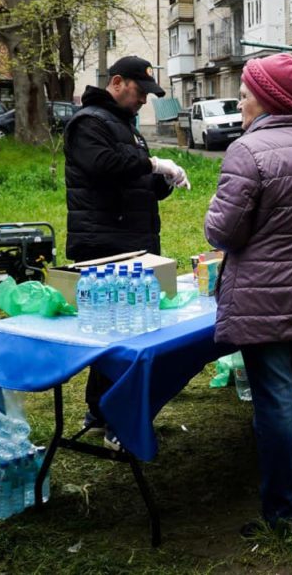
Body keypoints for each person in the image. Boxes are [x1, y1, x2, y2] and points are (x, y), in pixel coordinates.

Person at [203, 54, 292, 537]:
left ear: (265, 98)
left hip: (265, 298)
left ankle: (281, 514)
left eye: (243, 94)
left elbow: (222, 231)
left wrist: (212, 217)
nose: (239, 103)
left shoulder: (249, 151)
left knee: (276, 403)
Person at [63, 55, 191, 447]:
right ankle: (113, 418)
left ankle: (104, 412)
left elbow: (136, 182)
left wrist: (165, 180)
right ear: (117, 83)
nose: (143, 102)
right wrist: (152, 162)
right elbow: (104, 166)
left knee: (130, 336)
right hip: (104, 246)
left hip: (134, 242)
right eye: (140, 93)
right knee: (115, 337)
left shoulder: (125, 127)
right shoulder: (88, 123)